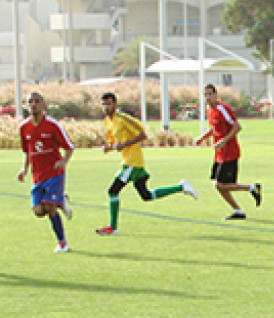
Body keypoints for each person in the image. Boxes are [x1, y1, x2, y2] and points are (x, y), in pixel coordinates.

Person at [94, 92, 198, 235]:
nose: (106, 107)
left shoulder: (123, 118)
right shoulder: (108, 122)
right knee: (146, 196)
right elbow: (115, 142)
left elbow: (143, 135)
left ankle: (113, 227)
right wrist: (109, 147)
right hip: (130, 162)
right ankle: (181, 187)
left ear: (115, 104)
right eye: (103, 104)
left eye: (109, 103)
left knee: (113, 191)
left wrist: (124, 144)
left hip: (132, 162)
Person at [17, 92, 74, 253]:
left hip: (55, 173)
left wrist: (64, 161)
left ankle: (62, 242)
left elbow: (69, 147)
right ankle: (61, 200)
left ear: (43, 105)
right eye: (30, 102)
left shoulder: (52, 125)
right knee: (38, 211)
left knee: (50, 208)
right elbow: (28, 151)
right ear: (27, 105)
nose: (34, 104)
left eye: (37, 101)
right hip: (38, 175)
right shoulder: (24, 127)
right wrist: (24, 169)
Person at [195, 84, 261, 220]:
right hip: (219, 154)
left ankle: (252, 188)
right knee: (218, 185)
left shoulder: (222, 109)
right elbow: (214, 128)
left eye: (210, 94)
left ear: (215, 95)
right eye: (205, 95)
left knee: (221, 184)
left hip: (229, 152)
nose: (207, 97)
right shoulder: (209, 110)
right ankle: (238, 211)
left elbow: (237, 127)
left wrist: (223, 141)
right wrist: (203, 137)